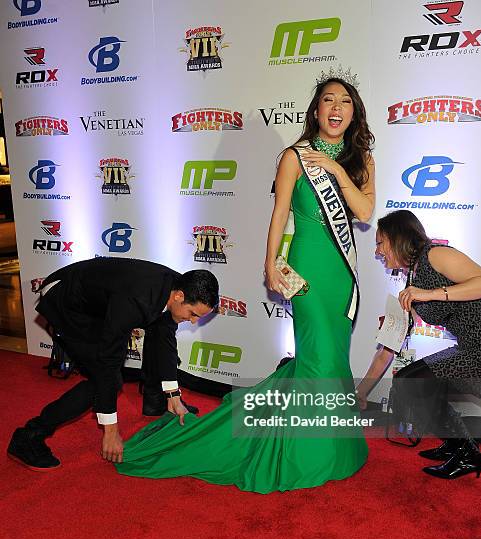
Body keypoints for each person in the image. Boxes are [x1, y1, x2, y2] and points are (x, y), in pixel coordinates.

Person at [115, 74, 376, 493]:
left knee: (335, 358)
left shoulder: (360, 159)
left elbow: (364, 212)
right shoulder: (294, 156)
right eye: (328, 100)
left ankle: (334, 446)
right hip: (306, 269)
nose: (336, 107)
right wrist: (271, 264)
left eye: (344, 101)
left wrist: (334, 170)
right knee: (317, 360)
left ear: (353, 113)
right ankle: (307, 452)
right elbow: (279, 216)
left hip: (341, 274)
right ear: (316, 111)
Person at [7, 257, 219, 470]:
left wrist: (173, 395)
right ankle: (28, 436)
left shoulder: (176, 286)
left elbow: (165, 339)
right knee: (105, 379)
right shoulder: (137, 300)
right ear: (179, 296)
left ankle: (156, 401)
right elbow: (108, 361)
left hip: (97, 302)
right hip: (66, 302)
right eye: (193, 314)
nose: (193, 322)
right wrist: (111, 431)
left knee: (158, 333)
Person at [357, 211, 481, 479]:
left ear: (396, 237)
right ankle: (457, 444)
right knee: (407, 380)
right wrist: (362, 391)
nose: (378, 251)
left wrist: (430, 294)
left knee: (416, 382)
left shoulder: (435, 254)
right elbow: (389, 346)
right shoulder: (409, 283)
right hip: (468, 346)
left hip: (480, 346)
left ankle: (467, 454)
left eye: (380, 242)